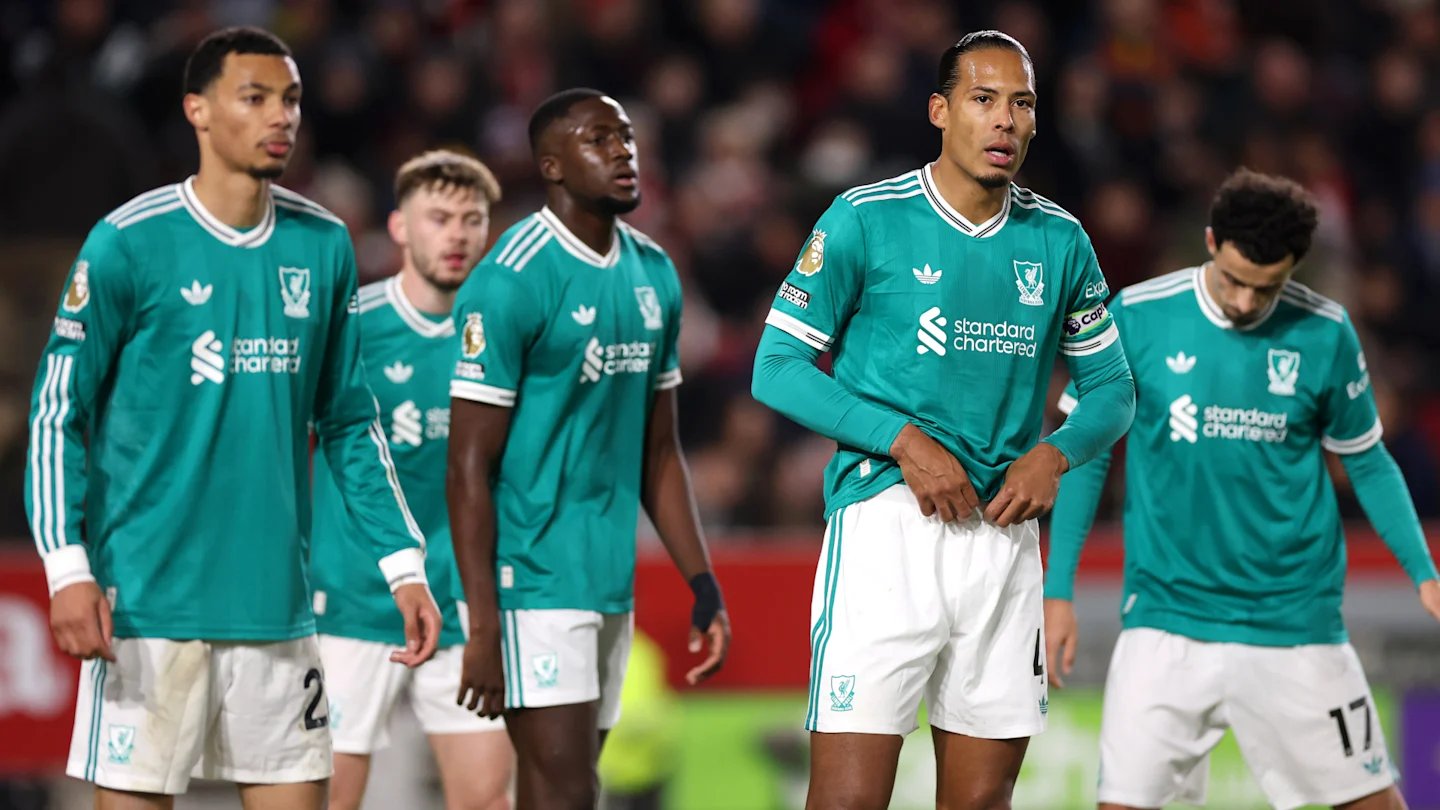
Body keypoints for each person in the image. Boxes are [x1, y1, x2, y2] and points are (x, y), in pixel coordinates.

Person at [24, 27, 440, 810]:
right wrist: (67, 567)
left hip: (278, 608)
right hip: (147, 606)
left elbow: (349, 421)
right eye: (255, 97)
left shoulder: (324, 245)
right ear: (199, 110)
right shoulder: (129, 243)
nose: (282, 116)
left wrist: (402, 564)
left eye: (291, 99)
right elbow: (57, 413)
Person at [750, 30, 1135, 810]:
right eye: (983, 99)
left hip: (1002, 538)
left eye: (1021, 104)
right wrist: (902, 441)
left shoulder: (1059, 239)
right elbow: (776, 367)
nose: (1005, 121)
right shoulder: (865, 218)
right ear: (940, 110)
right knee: (848, 802)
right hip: (886, 528)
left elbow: (1112, 389)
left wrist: (1055, 454)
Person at [1044, 168, 1440, 810]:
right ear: (1210, 241)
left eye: (1266, 286)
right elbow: (1088, 454)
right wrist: (1057, 588)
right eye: (1234, 279)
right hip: (1166, 621)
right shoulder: (1138, 317)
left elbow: (1367, 462)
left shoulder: (1326, 331)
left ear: (1294, 268)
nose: (1247, 301)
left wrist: (1422, 571)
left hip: (1295, 624)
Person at [447, 87, 731, 810]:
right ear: (551, 165)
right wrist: (482, 624)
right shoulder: (510, 280)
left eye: (626, 137)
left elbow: (659, 453)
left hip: (607, 577)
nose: (623, 153)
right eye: (599, 140)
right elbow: (468, 465)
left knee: (567, 790)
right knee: (568, 793)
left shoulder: (654, 274)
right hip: (531, 579)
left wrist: (702, 583)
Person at [309, 149, 513, 810]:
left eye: (471, 220)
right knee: (328, 801)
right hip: (353, 599)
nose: (457, 235)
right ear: (399, 227)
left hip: (462, 602)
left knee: (487, 800)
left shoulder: (506, 336)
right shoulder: (352, 327)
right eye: (439, 218)